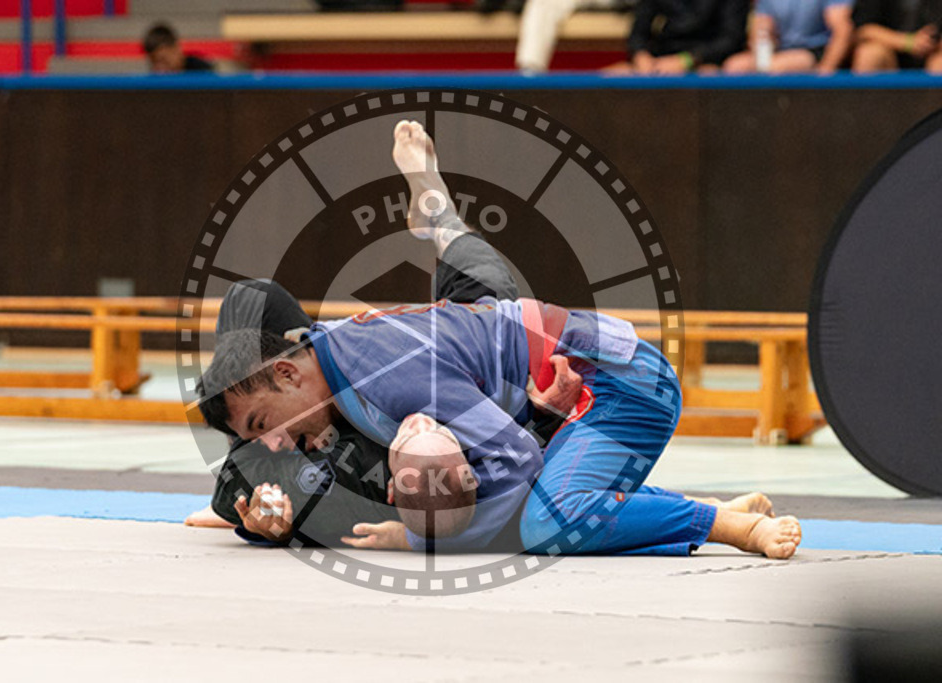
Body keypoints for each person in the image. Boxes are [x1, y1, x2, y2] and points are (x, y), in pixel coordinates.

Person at [197, 120, 801, 560]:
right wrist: (254, 519)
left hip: (616, 383)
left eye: (260, 423)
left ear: (285, 373)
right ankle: (437, 217)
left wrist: (417, 536)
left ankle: (723, 525)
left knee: (546, 522)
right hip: (530, 354)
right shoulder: (329, 353)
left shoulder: (385, 375)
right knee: (481, 307)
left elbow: (516, 461)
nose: (276, 441)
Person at [606, 0, 749, 74]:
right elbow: (637, 35)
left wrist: (687, 60)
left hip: (708, 60)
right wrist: (641, 56)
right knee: (611, 75)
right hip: (662, 59)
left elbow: (731, 39)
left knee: (709, 74)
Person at [722, 0, 854, 75]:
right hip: (781, 51)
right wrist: (761, 38)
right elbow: (759, 29)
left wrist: (826, 69)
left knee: (776, 67)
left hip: (815, 50)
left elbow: (842, 31)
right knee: (734, 66)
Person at [850, 0, 942, 73]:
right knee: (869, 54)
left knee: (939, 62)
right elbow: (862, 30)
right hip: (889, 53)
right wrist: (908, 42)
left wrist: (932, 42)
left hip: (933, 54)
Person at [142, 23, 215, 74]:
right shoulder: (154, 83)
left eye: (164, 60)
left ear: (177, 48)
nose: (160, 69)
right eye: (154, 63)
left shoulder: (203, 72)